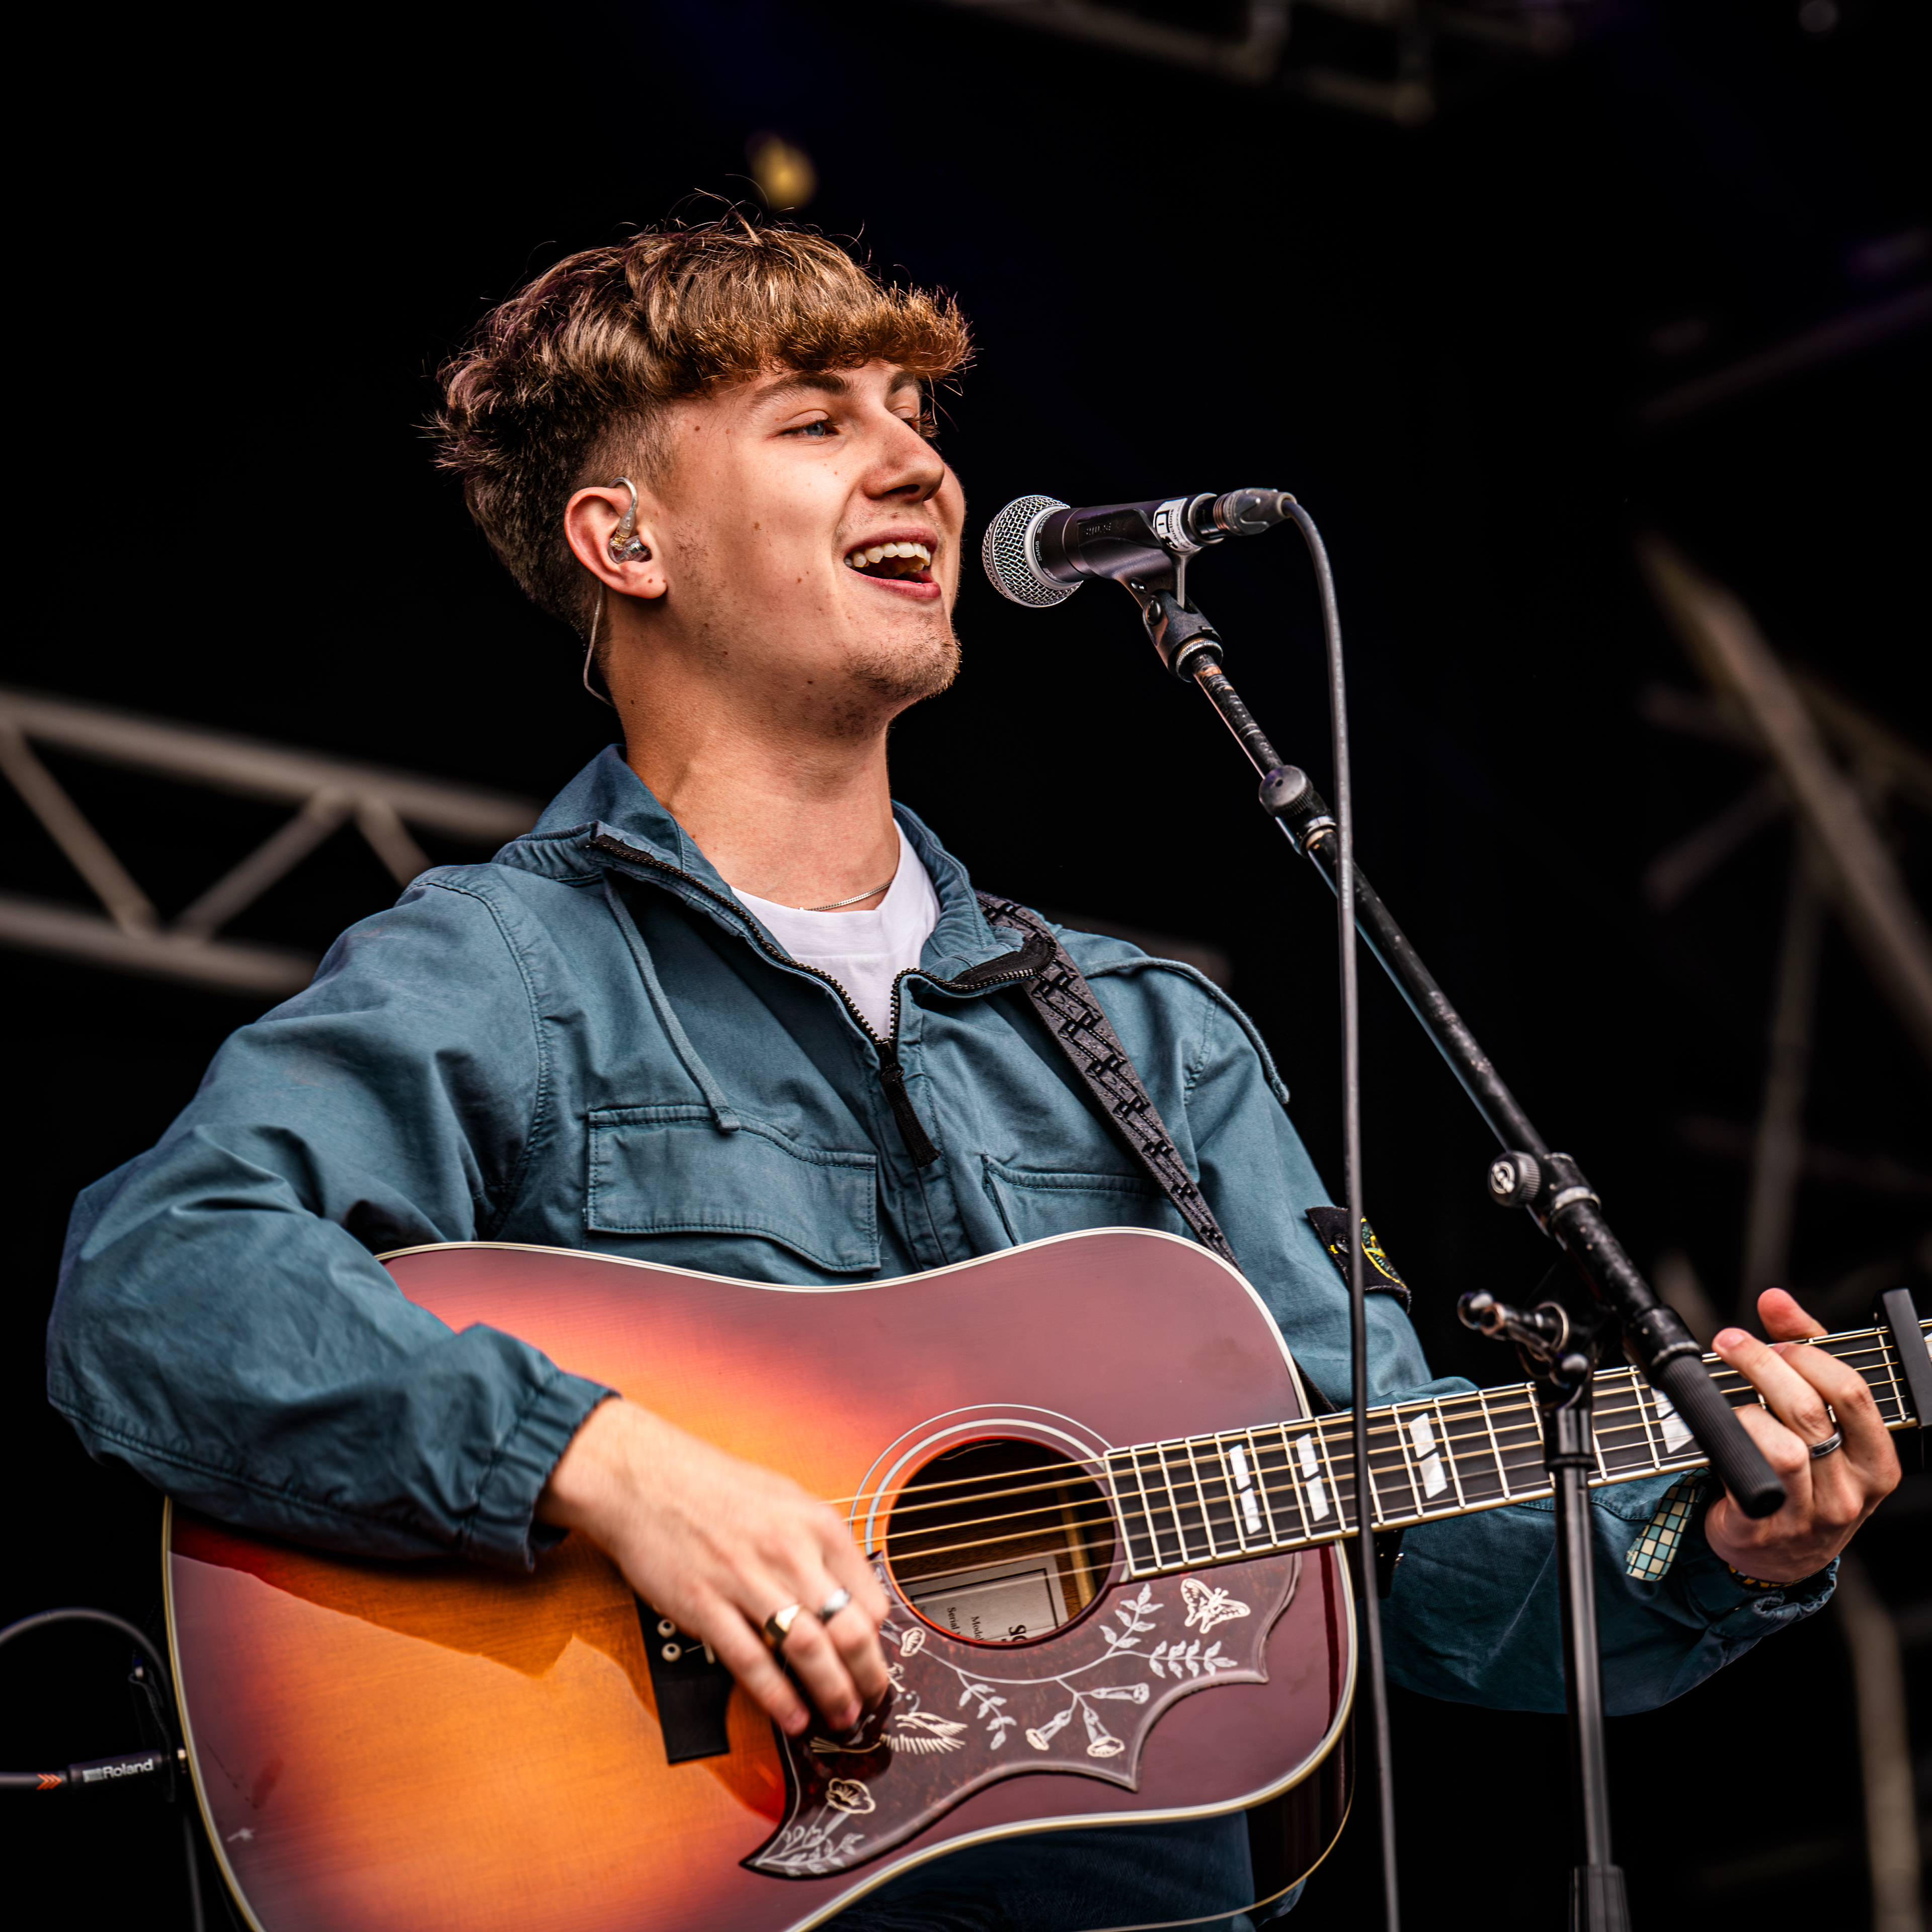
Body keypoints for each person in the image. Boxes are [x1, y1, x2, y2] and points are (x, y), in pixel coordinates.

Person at [47, 218, 1898, 1929]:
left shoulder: (1150, 1035)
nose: (920, 464)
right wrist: (601, 1464)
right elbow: (157, 1282)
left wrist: (1716, 1545)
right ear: (627, 543)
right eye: (815, 420)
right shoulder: (507, 971)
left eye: (919, 417)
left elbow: (1407, 1542)